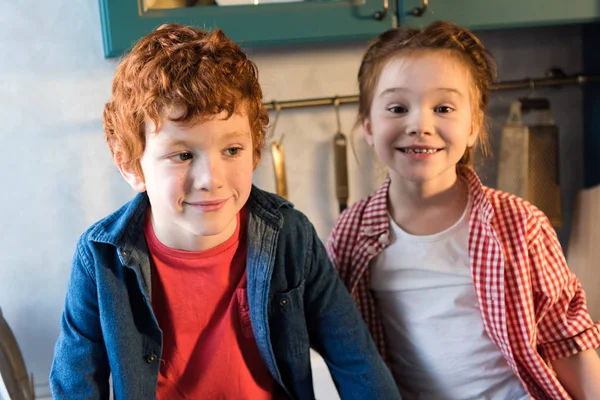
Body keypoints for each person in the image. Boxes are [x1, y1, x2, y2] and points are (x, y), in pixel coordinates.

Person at [49, 23, 400, 400]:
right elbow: (75, 386)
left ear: (256, 150)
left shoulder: (291, 237)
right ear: (131, 166)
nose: (211, 179)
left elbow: (356, 359)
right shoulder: (99, 258)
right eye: (183, 155)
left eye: (232, 150)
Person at [327, 21, 600, 400]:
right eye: (397, 107)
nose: (420, 124)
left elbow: (566, 340)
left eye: (442, 107)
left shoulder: (521, 226)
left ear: (473, 125)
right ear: (369, 126)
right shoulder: (351, 233)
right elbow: (337, 343)